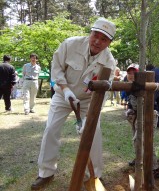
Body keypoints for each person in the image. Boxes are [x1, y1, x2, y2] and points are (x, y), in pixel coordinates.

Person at [31, 17, 117, 190]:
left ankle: (93, 176)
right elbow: (57, 68)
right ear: (90, 32)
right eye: (96, 35)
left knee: (94, 133)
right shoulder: (70, 45)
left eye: (104, 39)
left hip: (88, 102)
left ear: (109, 42)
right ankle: (46, 173)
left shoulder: (109, 62)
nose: (98, 41)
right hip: (63, 94)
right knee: (51, 129)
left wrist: (90, 118)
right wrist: (66, 90)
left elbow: (103, 93)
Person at [123, 63, 159, 178]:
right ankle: (139, 158)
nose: (131, 75)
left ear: (140, 74)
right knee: (136, 140)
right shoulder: (129, 86)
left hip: (149, 116)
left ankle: (154, 168)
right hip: (136, 116)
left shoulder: (144, 86)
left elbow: (149, 104)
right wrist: (129, 109)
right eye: (129, 73)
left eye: (134, 73)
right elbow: (130, 102)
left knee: (146, 141)